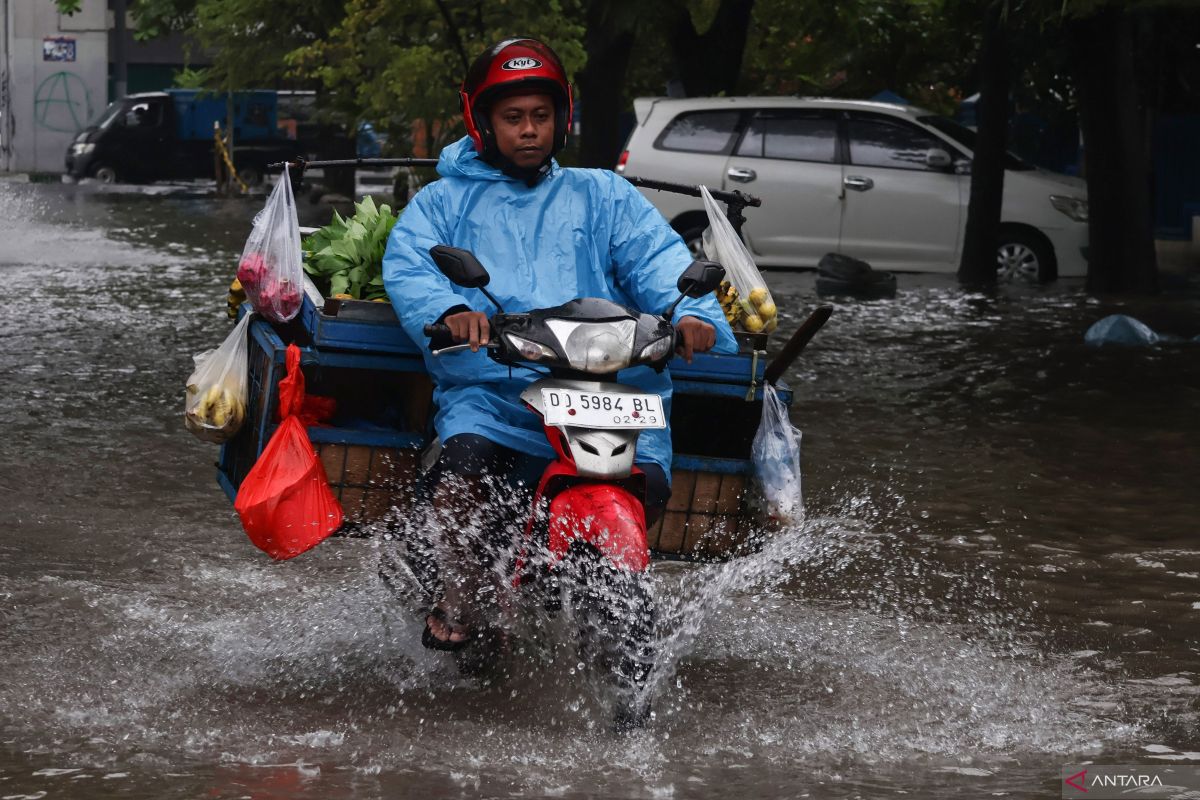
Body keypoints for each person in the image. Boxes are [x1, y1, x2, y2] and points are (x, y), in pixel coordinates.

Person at [382, 37, 736, 651]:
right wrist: (452, 309)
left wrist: (692, 313)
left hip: (608, 388)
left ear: (561, 117)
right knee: (463, 476)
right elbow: (410, 267)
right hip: (496, 391)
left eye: (540, 117)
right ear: (484, 122)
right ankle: (462, 593)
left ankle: (610, 577)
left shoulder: (603, 194)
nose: (529, 131)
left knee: (644, 484)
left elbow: (659, 262)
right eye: (513, 118)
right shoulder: (442, 202)